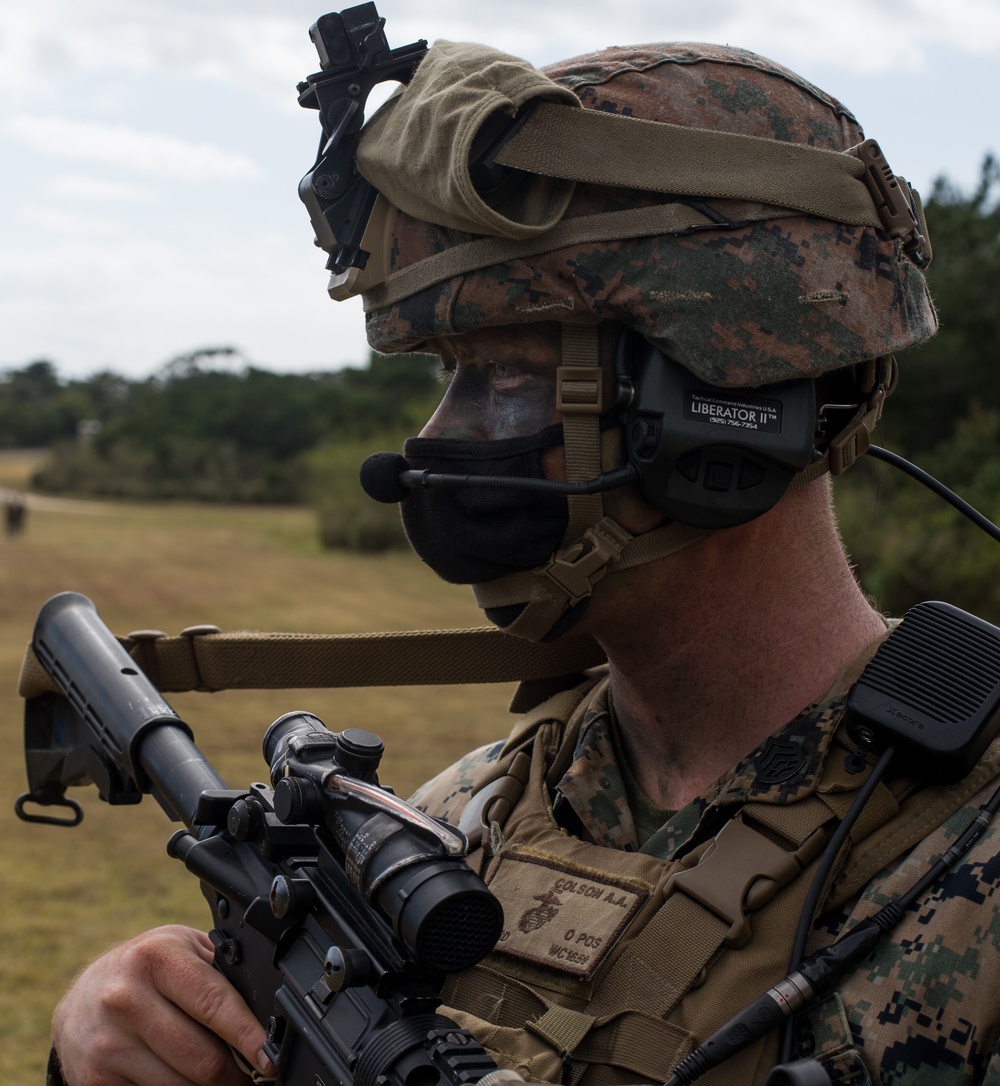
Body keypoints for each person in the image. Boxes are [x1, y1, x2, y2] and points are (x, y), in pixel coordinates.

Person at [47, 30, 1000, 1086]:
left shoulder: (966, 855)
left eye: (506, 373)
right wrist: (116, 1040)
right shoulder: (466, 818)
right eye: (448, 376)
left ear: (736, 404)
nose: (434, 444)